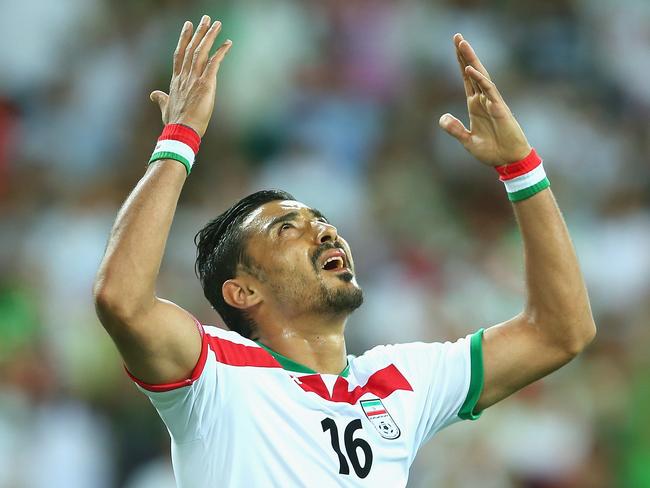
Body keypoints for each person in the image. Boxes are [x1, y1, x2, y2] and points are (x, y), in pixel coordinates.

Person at [93, 15, 596, 487]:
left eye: (324, 223)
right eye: (288, 229)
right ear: (242, 290)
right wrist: (180, 138)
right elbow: (122, 300)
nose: (326, 234)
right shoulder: (212, 375)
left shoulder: (399, 381)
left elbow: (560, 332)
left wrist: (521, 168)